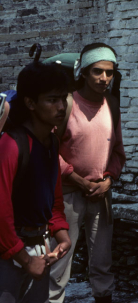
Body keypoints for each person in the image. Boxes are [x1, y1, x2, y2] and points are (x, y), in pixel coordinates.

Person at [49, 43, 126, 303]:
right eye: (97, 71)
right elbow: (49, 150)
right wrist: (78, 179)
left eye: (109, 72)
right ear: (83, 72)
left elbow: (117, 151)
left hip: (100, 195)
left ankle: (103, 298)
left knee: (103, 260)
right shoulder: (67, 104)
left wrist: (108, 180)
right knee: (59, 262)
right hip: (67, 194)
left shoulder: (111, 105)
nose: (104, 78)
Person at [0, 62, 72, 302]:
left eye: (63, 98)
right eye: (52, 100)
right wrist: (25, 259)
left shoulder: (51, 143)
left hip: (39, 249)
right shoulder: (12, 145)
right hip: (9, 252)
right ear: (31, 103)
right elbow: (1, 212)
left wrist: (61, 233)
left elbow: (53, 197)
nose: (61, 107)